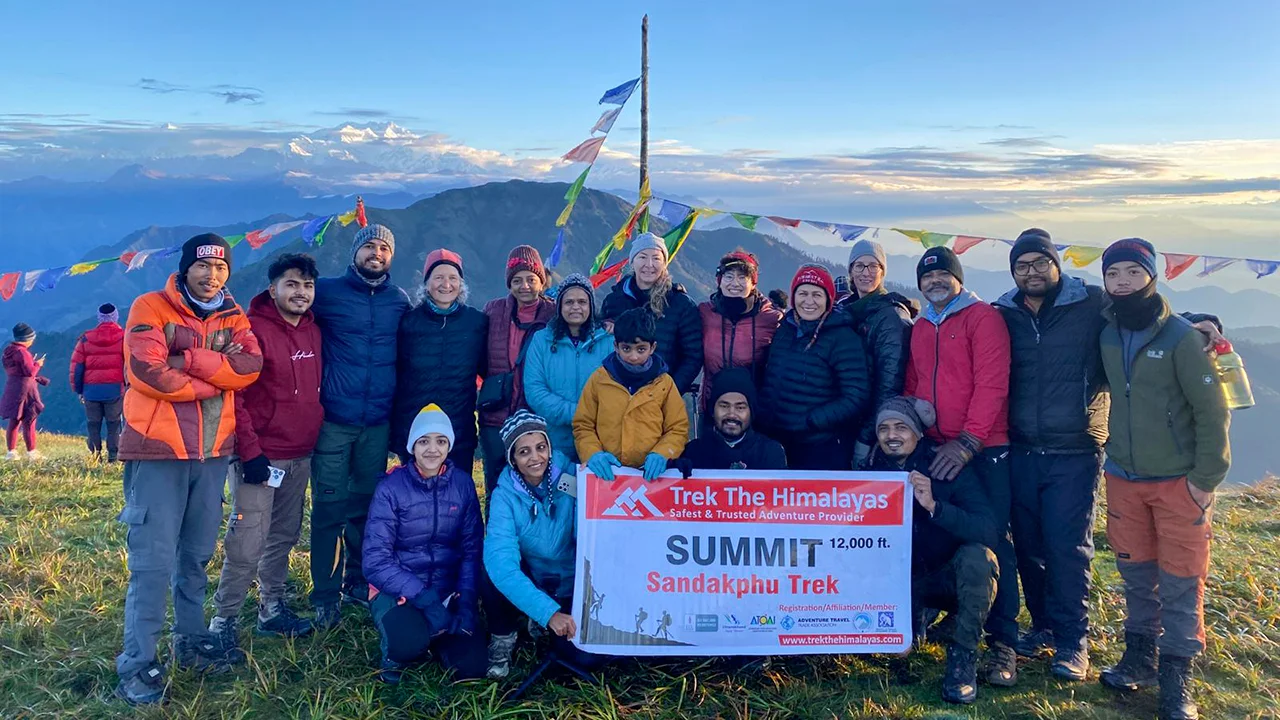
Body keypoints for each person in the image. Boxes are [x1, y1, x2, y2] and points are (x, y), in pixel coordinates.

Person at [993, 228, 1224, 680]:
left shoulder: (1091, 303)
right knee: (1029, 547)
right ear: (1014, 272)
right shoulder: (1006, 313)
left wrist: (1201, 319)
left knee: (1068, 548)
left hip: (1076, 446)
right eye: (1022, 265)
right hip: (1020, 448)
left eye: (1041, 262)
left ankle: (1072, 640)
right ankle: (1041, 627)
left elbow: (1144, 314)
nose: (1032, 272)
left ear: (1057, 265)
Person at [113, 233, 263, 706]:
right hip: (158, 451)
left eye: (220, 268)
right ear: (184, 268)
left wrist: (193, 360)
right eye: (203, 266)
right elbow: (146, 370)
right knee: (152, 563)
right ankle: (137, 663)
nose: (211, 275)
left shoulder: (234, 315)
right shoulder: (150, 306)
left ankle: (191, 640)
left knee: (195, 555)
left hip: (212, 453)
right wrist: (209, 384)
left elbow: (251, 366)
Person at [1095, 238, 1230, 720]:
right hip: (1123, 475)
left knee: (1180, 580)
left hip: (1178, 481)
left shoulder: (1182, 339)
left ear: (1152, 275)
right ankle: (1140, 659)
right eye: (1114, 274)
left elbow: (1213, 411)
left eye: (1133, 271)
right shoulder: (1107, 331)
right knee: (1135, 575)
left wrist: (1205, 479)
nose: (1124, 281)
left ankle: (1178, 680)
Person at [903, 246, 1018, 686]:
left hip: (984, 447)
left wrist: (969, 440)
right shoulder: (921, 325)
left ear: (957, 277)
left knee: (993, 539)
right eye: (926, 277)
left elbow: (993, 383)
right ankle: (956, 612)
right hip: (936, 445)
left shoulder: (981, 318)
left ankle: (1003, 641)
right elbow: (915, 381)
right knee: (943, 528)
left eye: (942, 276)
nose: (934, 282)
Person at [208, 254, 323, 654]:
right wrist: (250, 451)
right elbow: (233, 394)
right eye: (291, 284)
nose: (301, 293)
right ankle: (223, 620)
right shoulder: (252, 330)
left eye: (307, 286)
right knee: (246, 541)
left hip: (300, 453)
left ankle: (271, 609)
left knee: (284, 535)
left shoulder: (313, 331)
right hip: (259, 457)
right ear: (272, 288)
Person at [865, 396, 998, 706]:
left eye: (901, 427)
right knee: (896, 647)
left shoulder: (946, 467)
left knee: (979, 558)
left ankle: (963, 659)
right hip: (897, 584)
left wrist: (936, 507)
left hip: (943, 576)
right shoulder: (868, 472)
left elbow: (988, 530)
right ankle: (911, 623)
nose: (892, 435)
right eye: (883, 428)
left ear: (918, 433)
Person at [309, 223, 410, 625]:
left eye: (384, 248)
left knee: (366, 508)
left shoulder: (398, 301)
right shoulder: (328, 294)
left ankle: (356, 581)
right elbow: (284, 310)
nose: (377, 253)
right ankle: (324, 595)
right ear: (354, 252)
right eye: (369, 246)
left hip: (377, 423)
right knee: (330, 506)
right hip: (335, 419)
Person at [363, 403, 486, 684]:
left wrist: (466, 601)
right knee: (407, 644)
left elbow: (471, 549)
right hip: (399, 590)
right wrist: (424, 597)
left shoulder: (463, 485)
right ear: (412, 446)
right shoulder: (390, 489)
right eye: (424, 441)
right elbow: (375, 561)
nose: (432, 449)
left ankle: (440, 638)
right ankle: (396, 648)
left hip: (446, 589)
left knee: (473, 666)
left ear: (449, 446)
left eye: (441, 441)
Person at [484, 410, 605, 678]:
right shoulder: (504, 496)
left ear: (549, 447)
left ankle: (542, 623)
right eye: (524, 452)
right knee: (490, 570)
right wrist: (549, 613)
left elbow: (590, 534)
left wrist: (596, 481)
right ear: (512, 459)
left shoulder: (573, 476)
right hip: (536, 577)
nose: (535, 457)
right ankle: (503, 635)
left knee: (584, 659)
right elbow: (501, 564)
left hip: (575, 581)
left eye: (540, 447)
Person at [758, 264, 871, 470]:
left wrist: (812, 421)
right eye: (803, 293)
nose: (809, 301)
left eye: (817, 295)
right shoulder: (785, 328)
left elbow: (856, 396)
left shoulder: (843, 337)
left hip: (819, 445)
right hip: (777, 438)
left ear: (828, 299)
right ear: (793, 297)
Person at [391, 249, 488, 469]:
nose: (446, 284)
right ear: (426, 284)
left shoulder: (476, 323)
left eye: (453, 278)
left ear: (461, 284)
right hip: (415, 430)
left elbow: (487, 368)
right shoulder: (408, 323)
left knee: (456, 497)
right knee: (414, 497)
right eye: (438, 277)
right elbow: (395, 374)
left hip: (459, 430)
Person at [573, 307, 690, 481]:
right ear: (616, 346)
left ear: (652, 348)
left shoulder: (664, 383)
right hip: (608, 475)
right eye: (626, 349)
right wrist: (593, 453)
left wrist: (663, 453)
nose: (633, 357)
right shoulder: (600, 379)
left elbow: (677, 428)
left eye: (641, 349)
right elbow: (583, 425)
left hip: (650, 477)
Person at [479, 245, 556, 495]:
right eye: (517, 280)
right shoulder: (493, 311)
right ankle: (496, 534)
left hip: (535, 415)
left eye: (531, 279)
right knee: (496, 486)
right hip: (496, 416)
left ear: (541, 281)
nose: (524, 286)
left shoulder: (554, 313)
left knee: (536, 485)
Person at [834, 240, 918, 465]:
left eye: (873, 266)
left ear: (883, 272)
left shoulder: (891, 317)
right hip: (847, 418)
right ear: (850, 271)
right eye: (859, 266)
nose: (866, 273)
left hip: (872, 425)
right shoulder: (848, 311)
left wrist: (868, 434)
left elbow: (890, 384)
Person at [600, 232, 704, 396]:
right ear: (632, 261)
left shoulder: (681, 304)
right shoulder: (614, 301)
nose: (649, 264)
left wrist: (670, 391)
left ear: (664, 263)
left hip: (661, 396)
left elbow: (693, 356)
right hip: (616, 394)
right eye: (642, 257)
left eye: (656, 258)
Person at [523, 273, 612, 462]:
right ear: (559, 306)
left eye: (582, 301)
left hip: (599, 439)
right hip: (554, 441)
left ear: (591, 305)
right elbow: (535, 391)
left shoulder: (608, 340)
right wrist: (578, 413)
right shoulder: (541, 340)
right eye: (569, 302)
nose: (576, 307)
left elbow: (617, 387)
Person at [697, 250, 782, 418]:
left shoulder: (770, 319)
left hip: (754, 409)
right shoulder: (705, 313)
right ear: (719, 281)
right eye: (729, 277)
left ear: (753, 283)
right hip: (712, 406)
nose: (735, 283)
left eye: (742, 277)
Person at [681, 367, 787, 470]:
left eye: (740, 407)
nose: (731, 414)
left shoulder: (770, 452)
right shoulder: (694, 452)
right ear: (712, 410)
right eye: (724, 406)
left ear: (751, 412)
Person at [69, 303, 126, 460]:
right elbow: (130, 364)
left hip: (91, 389)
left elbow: (77, 368)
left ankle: (95, 454)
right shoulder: (124, 338)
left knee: (93, 423)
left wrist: (78, 390)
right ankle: (113, 455)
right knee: (113, 423)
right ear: (115, 317)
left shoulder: (86, 339)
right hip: (115, 388)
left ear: (99, 318)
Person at [2, 323, 49, 461]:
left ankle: (11, 452)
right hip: (26, 389)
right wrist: (38, 364)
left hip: (12, 386)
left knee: (14, 419)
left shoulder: (8, 351)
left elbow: (16, 368)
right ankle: (31, 452)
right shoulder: (22, 352)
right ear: (27, 339)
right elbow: (30, 372)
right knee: (29, 419)